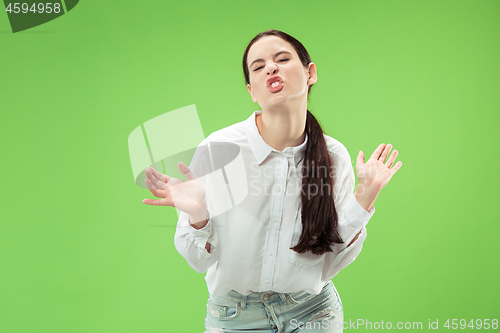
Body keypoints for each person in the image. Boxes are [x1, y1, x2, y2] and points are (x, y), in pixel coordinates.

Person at [142, 30, 402, 333]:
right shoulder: (219, 151)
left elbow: (329, 263)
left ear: (310, 73)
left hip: (314, 312)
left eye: (282, 59)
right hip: (234, 316)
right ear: (252, 90)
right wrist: (198, 215)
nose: (271, 68)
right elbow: (198, 261)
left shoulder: (334, 158)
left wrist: (365, 196)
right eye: (258, 66)